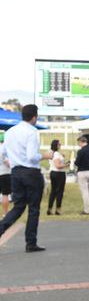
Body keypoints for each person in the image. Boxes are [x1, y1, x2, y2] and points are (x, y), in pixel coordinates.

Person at [0, 104, 53, 252]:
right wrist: (45, 155)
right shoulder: (32, 132)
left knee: (18, 207)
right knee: (33, 209)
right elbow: (31, 157)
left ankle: (1, 228)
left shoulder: (10, 132)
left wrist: (12, 161)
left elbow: (2, 152)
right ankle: (31, 242)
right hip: (31, 173)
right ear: (34, 117)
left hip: (15, 172)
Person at [75, 135, 89, 215]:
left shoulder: (81, 151)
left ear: (81, 142)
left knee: (85, 192)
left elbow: (77, 163)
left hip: (82, 172)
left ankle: (87, 210)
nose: (78, 144)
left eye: (79, 143)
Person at [47, 139, 67, 215]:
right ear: (56, 145)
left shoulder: (51, 153)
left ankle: (50, 208)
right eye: (59, 144)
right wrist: (66, 165)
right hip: (59, 173)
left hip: (53, 172)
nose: (60, 145)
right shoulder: (56, 154)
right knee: (59, 192)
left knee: (53, 191)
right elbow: (58, 166)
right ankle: (58, 209)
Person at [0, 136, 11, 217]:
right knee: (5, 195)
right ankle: (5, 213)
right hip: (4, 173)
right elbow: (7, 163)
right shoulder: (4, 149)